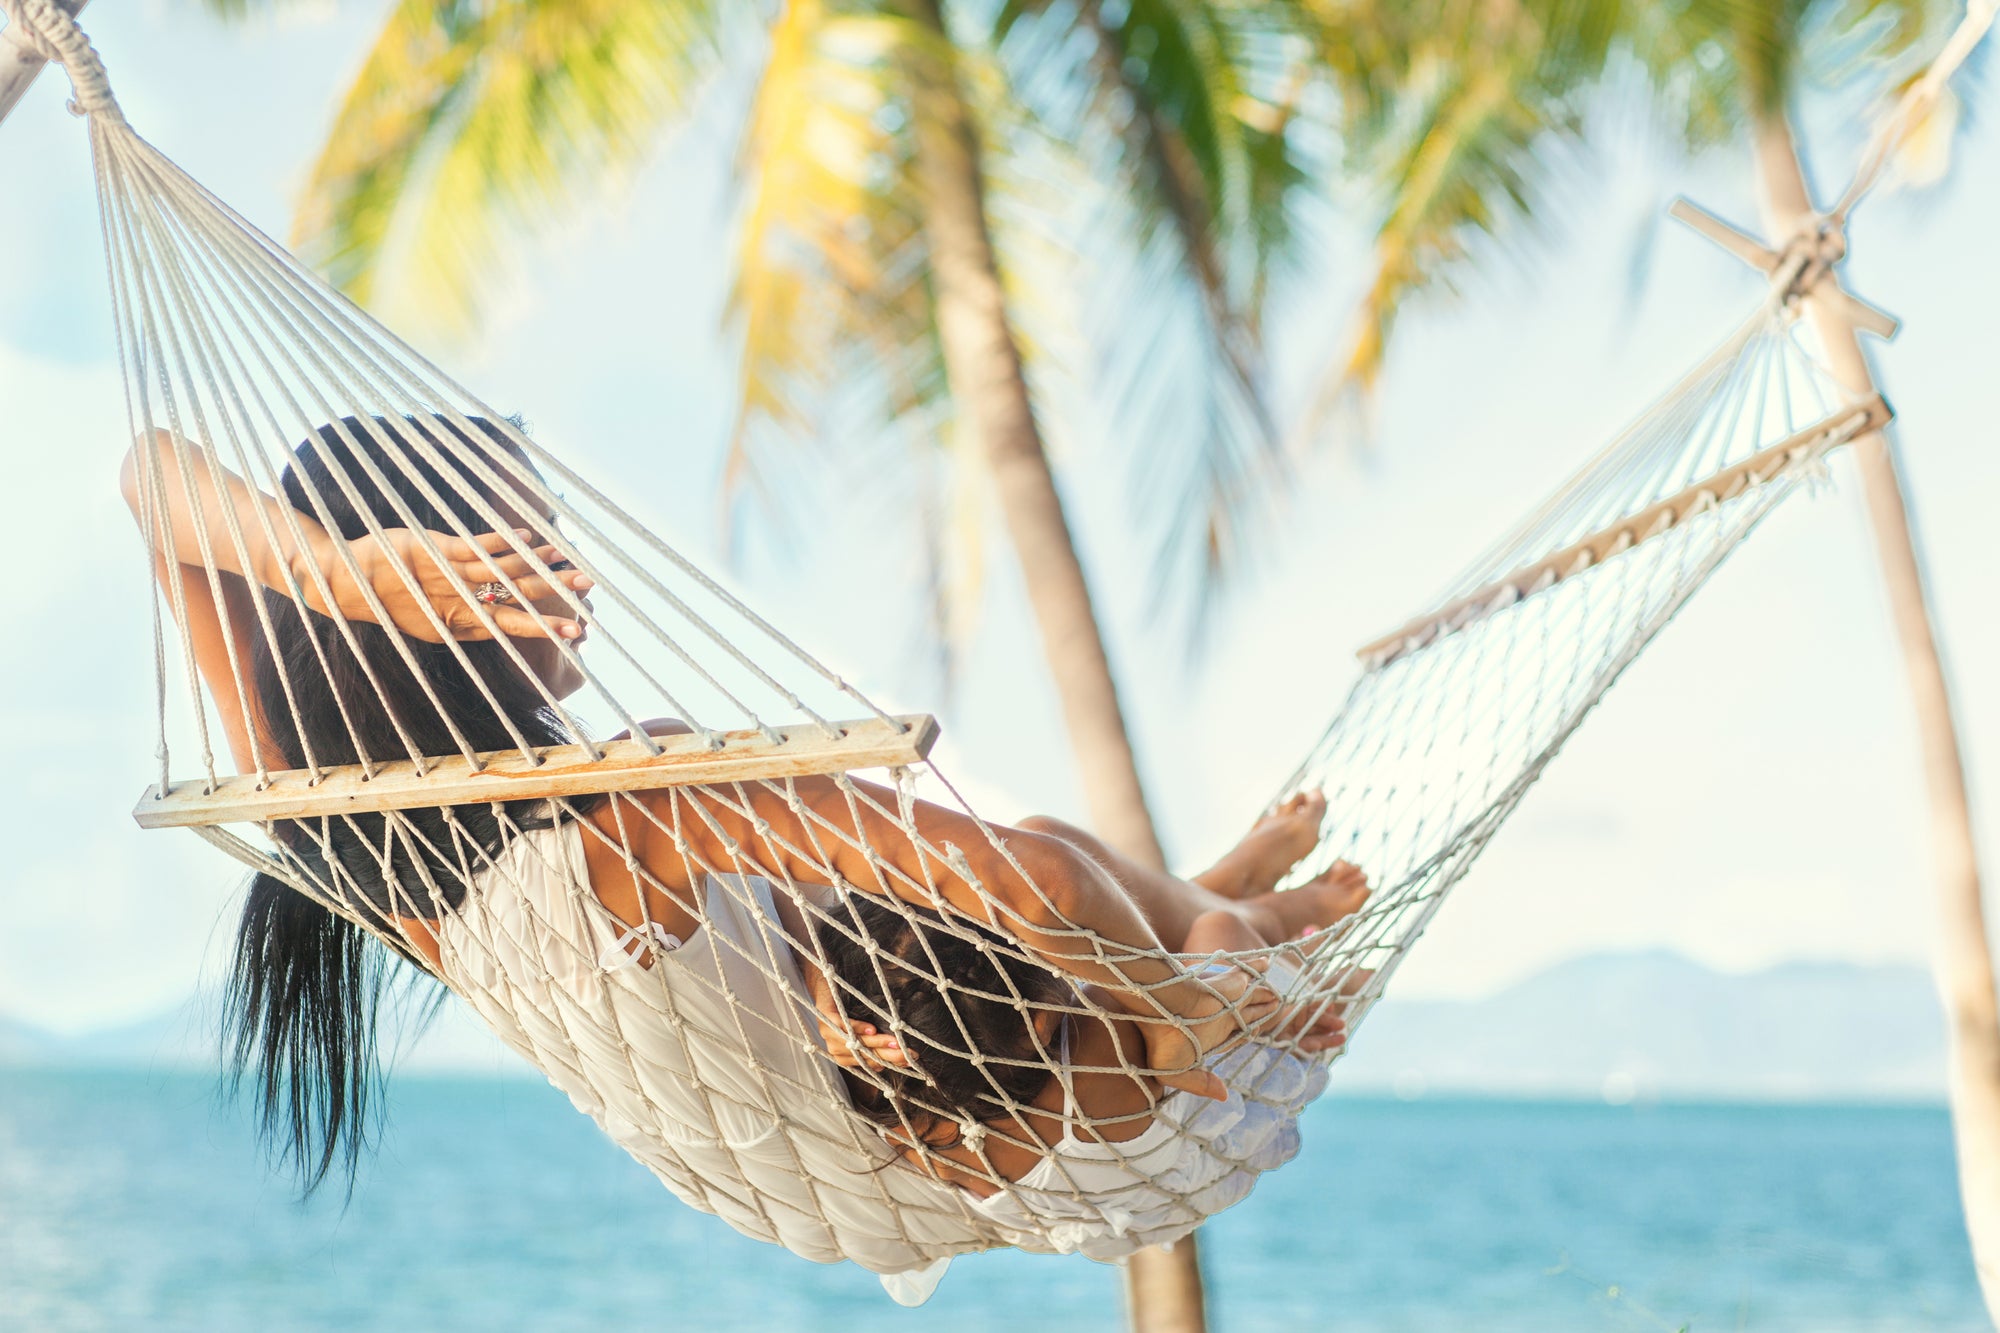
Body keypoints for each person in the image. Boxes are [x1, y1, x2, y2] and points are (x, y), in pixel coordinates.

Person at [121, 415, 1362, 1278]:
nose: (580, 573)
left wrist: (333, 573)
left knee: (1054, 874)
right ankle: (1217, 932)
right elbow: (1030, 886)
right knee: (1057, 863)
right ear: (454, 593)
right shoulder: (650, 814)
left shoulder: (349, 832)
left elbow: (146, 478)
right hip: (1043, 1128)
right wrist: (1165, 993)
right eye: (533, 540)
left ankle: (1206, 901)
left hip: (830, 1175)